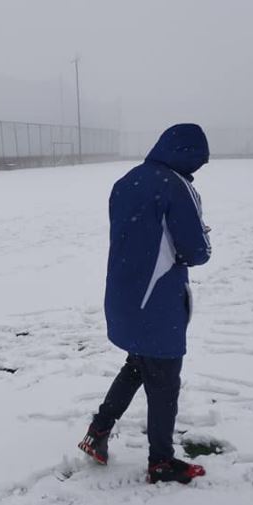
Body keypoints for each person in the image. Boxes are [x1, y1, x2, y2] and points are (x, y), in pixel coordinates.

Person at [78, 123, 212, 484]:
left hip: (124, 294)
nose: (198, 170)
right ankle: (161, 462)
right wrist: (205, 241)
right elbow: (195, 251)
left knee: (138, 363)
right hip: (160, 300)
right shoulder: (176, 186)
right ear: (189, 155)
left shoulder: (127, 181)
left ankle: (98, 431)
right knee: (165, 380)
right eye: (198, 162)